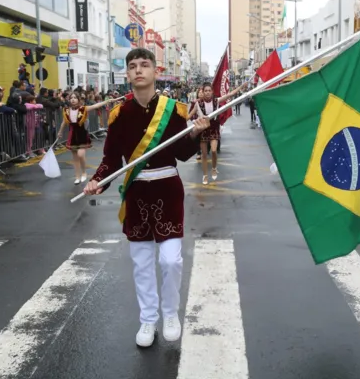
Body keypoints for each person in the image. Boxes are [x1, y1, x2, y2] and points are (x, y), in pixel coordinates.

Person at [82, 48, 210, 348]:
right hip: (137, 192)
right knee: (141, 262)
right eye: (132, 66)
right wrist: (96, 181)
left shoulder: (174, 110)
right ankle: (148, 319)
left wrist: (195, 134)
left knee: (170, 260)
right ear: (127, 74)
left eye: (144, 65)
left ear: (155, 71)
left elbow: (181, 154)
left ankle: (170, 314)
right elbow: (111, 160)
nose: (138, 70)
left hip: (167, 189)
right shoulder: (119, 115)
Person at [190, 81, 247, 184]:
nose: (207, 93)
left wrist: (241, 87)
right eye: (205, 91)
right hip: (203, 130)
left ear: (212, 92)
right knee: (203, 154)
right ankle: (205, 175)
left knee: (213, 150)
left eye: (209, 91)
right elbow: (188, 116)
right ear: (202, 92)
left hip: (214, 129)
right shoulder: (197, 103)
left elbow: (230, 94)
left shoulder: (216, 101)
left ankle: (214, 168)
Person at [57, 92, 117, 185]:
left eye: (75, 98)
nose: (73, 99)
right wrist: (60, 132)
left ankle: (84, 172)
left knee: (81, 155)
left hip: (81, 134)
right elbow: (64, 123)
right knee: (75, 158)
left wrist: (107, 101)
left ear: (78, 100)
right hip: (72, 135)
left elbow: (95, 105)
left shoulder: (83, 109)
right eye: (71, 98)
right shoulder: (66, 110)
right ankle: (77, 176)